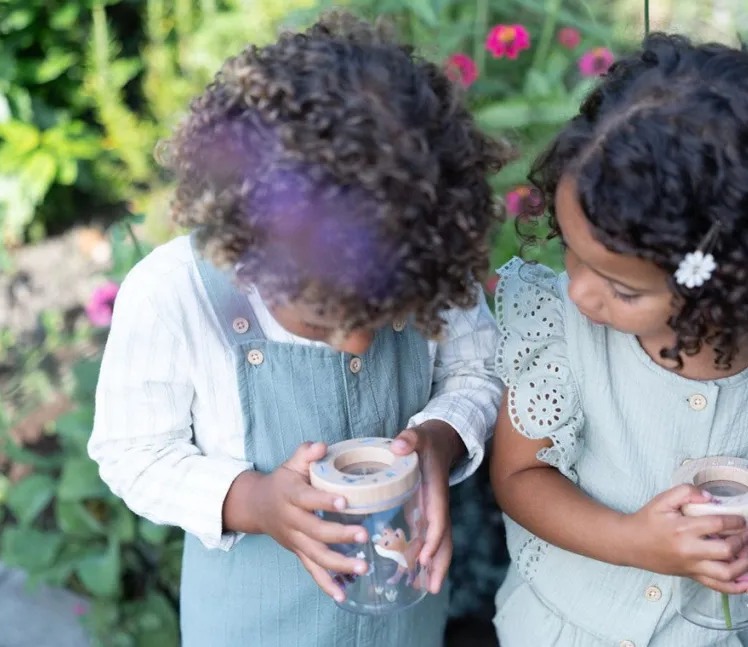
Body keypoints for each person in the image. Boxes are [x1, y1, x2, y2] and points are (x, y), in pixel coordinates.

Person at [88, 11, 511, 647]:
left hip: (404, 623)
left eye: (389, 315)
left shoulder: (420, 253)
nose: (359, 343)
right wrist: (253, 501)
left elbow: (477, 367)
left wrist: (439, 438)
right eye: (322, 319)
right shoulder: (174, 295)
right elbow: (132, 453)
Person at [489, 33, 748, 647]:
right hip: (563, 628)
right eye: (571, 251)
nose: (580, 292)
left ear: (729, 282)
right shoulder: (562, 332)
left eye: (622, 289)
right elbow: (519, 475)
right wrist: (629, 540)